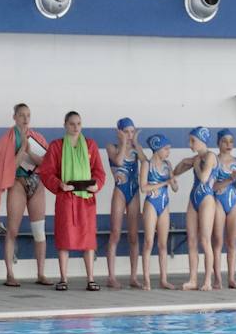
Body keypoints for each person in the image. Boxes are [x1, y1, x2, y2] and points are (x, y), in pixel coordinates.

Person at [37, 110, 106, 292]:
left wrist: (96, 185)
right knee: (64, 237)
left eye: (78, 124)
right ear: (65, 125)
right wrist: (60, 184)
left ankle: (91, 279)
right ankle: (63, 278)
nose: (76, 127)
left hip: (86, 199)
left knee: (89, 239)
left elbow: (99, 172)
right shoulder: (56, 146)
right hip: (66, 198)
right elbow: (46, 172)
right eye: (72, 124)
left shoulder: (90, 145)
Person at [0, 104, 50, 287]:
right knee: (13, 230)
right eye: (21, 115)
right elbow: (11, 168)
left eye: (28, 115)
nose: (25, 118)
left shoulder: (37, 137)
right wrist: (23, 147)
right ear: (14, 117)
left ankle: (40, 273)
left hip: (36, 183)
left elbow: (45, 164)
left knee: (39, 231)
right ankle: (10, 274)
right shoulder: (6, 139)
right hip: (17, 183)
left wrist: (30, 150)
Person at [173, 127, 217, 291]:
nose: (190, 143)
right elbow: (174, 172)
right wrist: (186, 161)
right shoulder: (196, 158)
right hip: (193, 199)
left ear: (202, 141)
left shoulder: (211, 156)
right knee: (192, 240)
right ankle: (192, 279)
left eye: (193, 140)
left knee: (205, 240)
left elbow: (205, 178)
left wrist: (196, 165)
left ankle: (207, 281)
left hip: (207, 199)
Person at [102, 118, 143, 289]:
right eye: (126, 131)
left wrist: (136, 143)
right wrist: (124, 142)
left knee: (133, 236)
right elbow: (118, 162)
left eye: (132, 132)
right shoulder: (111, 147)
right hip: (119, 191)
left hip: (134, 192)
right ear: (119, 132)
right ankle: (111, 276)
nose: (130, 135)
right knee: (115, 234)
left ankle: (133, 277)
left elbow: (145, 160)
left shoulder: (135, 150)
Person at [139, 134, 176, 290]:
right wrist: (164, 183)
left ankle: (163, 279)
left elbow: (174, 188)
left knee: (163, 244)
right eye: (166, 149)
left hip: (164, 204)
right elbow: (143, 188)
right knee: (149, 242)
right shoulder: (147, 164)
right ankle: (146, 279)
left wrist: (173, 182)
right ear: (157, 149)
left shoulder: (168, 165)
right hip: (151, 204)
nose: (168, 152)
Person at [210, 129, 236, 289]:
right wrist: (231, 178)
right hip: (217, 201)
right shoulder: (214, 161)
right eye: (225, 141)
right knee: (217, 241)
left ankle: (231, 278)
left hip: (234, 202)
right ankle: (217, 278)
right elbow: (212, 187)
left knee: (232, 242)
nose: (228, 144)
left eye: (231, 141)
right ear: (218, 143)